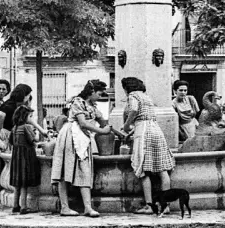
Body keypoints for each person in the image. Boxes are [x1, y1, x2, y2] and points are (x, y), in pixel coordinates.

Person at [51, 80, 122, 217]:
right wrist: (101, 132)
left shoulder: (93, 107)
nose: (100, 97)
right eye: (99, 93)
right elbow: (82, 123)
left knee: (85, 169)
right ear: (92, 91)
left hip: (84, 138)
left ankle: (87, 207)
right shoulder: (78, 102)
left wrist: (121, 134)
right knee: (65, 170)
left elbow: (105, 124)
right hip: (71, 136)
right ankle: (64, 207)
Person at [121, 77, 176, 214]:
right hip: (156, 129)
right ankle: (165, 205)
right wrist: (131, 132)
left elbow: (134, 110)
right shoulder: (146, 97)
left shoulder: (133, 95)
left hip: (144, 132)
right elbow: (146, 116)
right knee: (162, 169)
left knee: (144, 170)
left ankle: (149, 206)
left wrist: (126, 125)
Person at [0, 84, 33, 179]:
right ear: (23, 95)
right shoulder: (11, 104)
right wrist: (0, 127)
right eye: (28, 95)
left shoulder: (17, 104)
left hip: (6, 133)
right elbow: (1, 114)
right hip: (3, 134)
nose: (29, 97)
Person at [8, 105, 41, 214]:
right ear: (24, 116)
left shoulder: (14, 128)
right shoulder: (27, 127)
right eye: (30, 116)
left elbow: (11, 142)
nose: (31, 118)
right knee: (24, 184)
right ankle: (24, 207)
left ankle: (15, 205)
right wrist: (36, 133)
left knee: (17, 184)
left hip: (16, 157)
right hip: (26, 157)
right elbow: (33, 140)